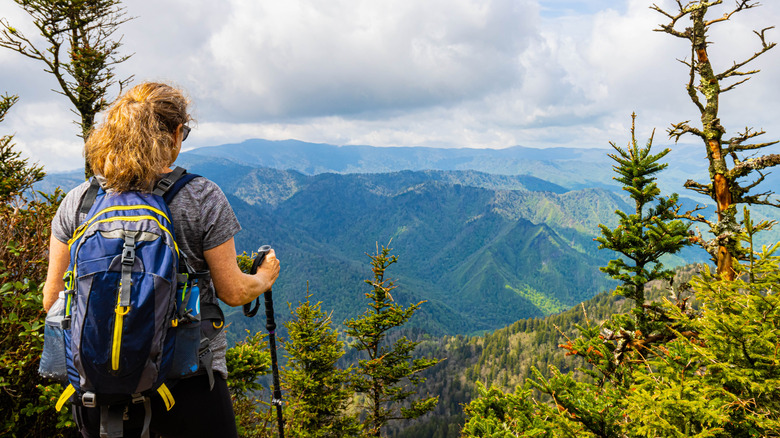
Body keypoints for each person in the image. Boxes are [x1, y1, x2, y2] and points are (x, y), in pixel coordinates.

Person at [42, 82, 280, 438]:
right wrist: (263, 278)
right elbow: (232, 291)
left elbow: (52, 301)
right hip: (190, 384)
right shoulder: (200, 195)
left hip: (98, 393)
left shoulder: (80, 200)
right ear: (176, 133)